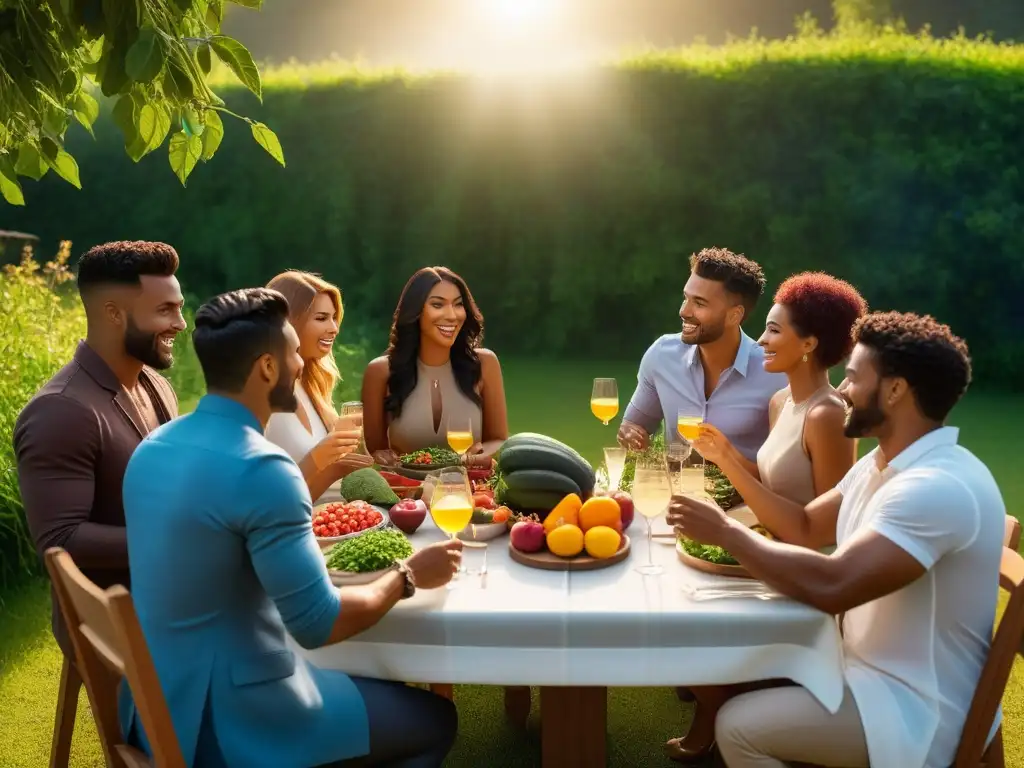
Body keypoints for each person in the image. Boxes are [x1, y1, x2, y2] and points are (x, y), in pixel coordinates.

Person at [119, 288, 463, 767]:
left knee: (380, 691)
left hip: (154, 705)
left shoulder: (153, 448)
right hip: (232, 721)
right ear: (266, 368)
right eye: (292, 352)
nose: (301, 364)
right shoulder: (264, 469)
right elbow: (318, 624)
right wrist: (408, 574)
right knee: (436, 721)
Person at [667, 311, 1005, 768]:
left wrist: (726, 532)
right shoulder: (882, 463)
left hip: (911, 710)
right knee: (731, 675)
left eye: (852, 377)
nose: (842, 390)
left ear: (895, 389)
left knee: (738, 727)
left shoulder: (936, 487)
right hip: (858, 672)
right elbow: (806, 526)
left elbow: (832, 586)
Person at [664, 272, 867, 761]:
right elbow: (774, 481)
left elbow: (825, 526)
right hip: (763, 552)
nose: (760, 340)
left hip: (801, 572)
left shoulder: (828, 415)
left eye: (774, 331)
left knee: (679, 627)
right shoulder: (782, 402)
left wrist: (731, 468)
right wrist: (726, 452)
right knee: (667, 604)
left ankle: (723, 709)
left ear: (810, 344)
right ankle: (720, 705)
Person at [14, 240, 185, 659]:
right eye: (165, 310)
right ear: (113, 313)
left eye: (179, 307)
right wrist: (181, 541)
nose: (181, 323)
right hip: (114, 621)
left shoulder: (154, 383)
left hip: (172, 591)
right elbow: (61, 539)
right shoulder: (61, 411)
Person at [618, 247, 786, 456]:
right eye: (685, 298)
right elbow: (634, 426)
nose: (684, 311)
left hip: (741, 490)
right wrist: (630, 433)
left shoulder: (776, 372)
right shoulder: (661, 356)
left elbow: (785, 469)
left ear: (734, 316)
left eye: (699, 303)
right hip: (675, 489)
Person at [362, 266, 508, 468]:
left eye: (458, 305)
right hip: (406, 494)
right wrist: (381, 456)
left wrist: (471, 460)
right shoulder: (380, 372)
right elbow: (375, 450)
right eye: (438, 305)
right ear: (416, 312)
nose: (451, 315)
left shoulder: (485, 364)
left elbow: (499, 439)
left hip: (470, 492)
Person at [264, 270, 374, 501]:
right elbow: (265, 500)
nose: (334, 328)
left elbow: (313, 489)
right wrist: (319, 459)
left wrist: (338, 459)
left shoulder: (308, 386)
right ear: (289, 322)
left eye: (334, 318)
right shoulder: (261, 394)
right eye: (322, 318)